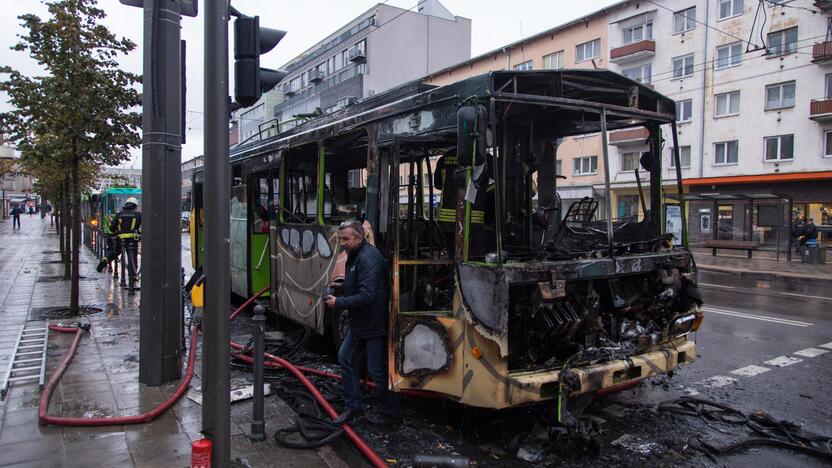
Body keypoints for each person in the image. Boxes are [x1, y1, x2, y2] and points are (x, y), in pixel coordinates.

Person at [324, 220, 401, 426]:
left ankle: (391, 412)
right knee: (346, 358)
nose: (343, 243)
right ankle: (353, 406)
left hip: (373, 323)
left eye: (346, 239)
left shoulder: (368, 259)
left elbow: (368, 295)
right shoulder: (356, 255)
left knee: (376, 369)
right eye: (341, 239)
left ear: (360, 237)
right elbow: (360, 286)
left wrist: (339, 302)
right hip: (361, 322)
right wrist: (343, 288)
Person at [96, 197, 142, 272]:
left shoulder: (119, 214)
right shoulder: (138, 214)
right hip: (132, 240)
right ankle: (133, 274)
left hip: (120, 239)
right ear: (135, 205)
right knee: (132, 258)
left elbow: (112, 228)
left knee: (114, 252)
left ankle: (104, 260)